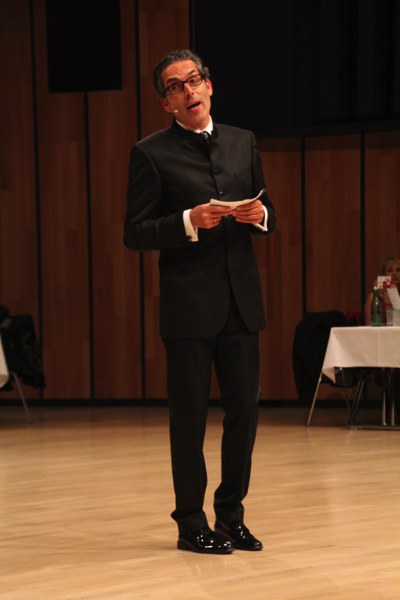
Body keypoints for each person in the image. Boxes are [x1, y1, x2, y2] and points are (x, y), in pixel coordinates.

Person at [124, 49, 276, 554]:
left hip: (241, 303)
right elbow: (135, 232)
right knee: (189, 419)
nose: (188, 91)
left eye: (194, 80)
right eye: (175, 86)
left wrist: (259, 217)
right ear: (166, 103)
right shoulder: (150, 153)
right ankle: (191, 522)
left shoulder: (242, 141)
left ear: (209, 85)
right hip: (188, 307)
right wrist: (188, 221)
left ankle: (230, 515)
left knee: (244, 412)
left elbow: (269, 211)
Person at [364, 257, 400, 325]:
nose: (395, 273)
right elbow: (369, 326)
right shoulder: (374, 297)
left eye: (398, 270)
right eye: (390, 270)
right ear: (383, 275)